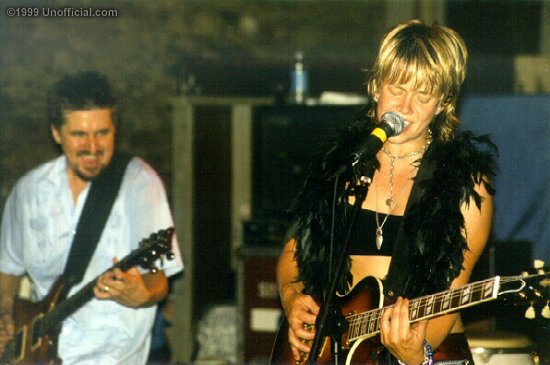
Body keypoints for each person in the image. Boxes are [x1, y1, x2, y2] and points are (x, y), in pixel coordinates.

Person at [275, 19, 496, 365]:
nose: (405, 108)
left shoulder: (465, 185)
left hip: (429, 353)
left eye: (423, 96)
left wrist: (415, 353)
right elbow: (294, 252)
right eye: (397, 89)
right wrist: (291, 298)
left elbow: (450, 296)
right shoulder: (345, 164)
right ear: (376, 87)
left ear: (442, 104)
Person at [0, 71, 183, 364]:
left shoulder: (140, 184)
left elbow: (158, 281)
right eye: (79, 135)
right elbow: (7, 267)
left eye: (102, 133)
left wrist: (141, 293)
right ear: (56, 133)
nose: (93, 147)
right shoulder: (28, 192)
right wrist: (6, 312)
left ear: (115, 130)